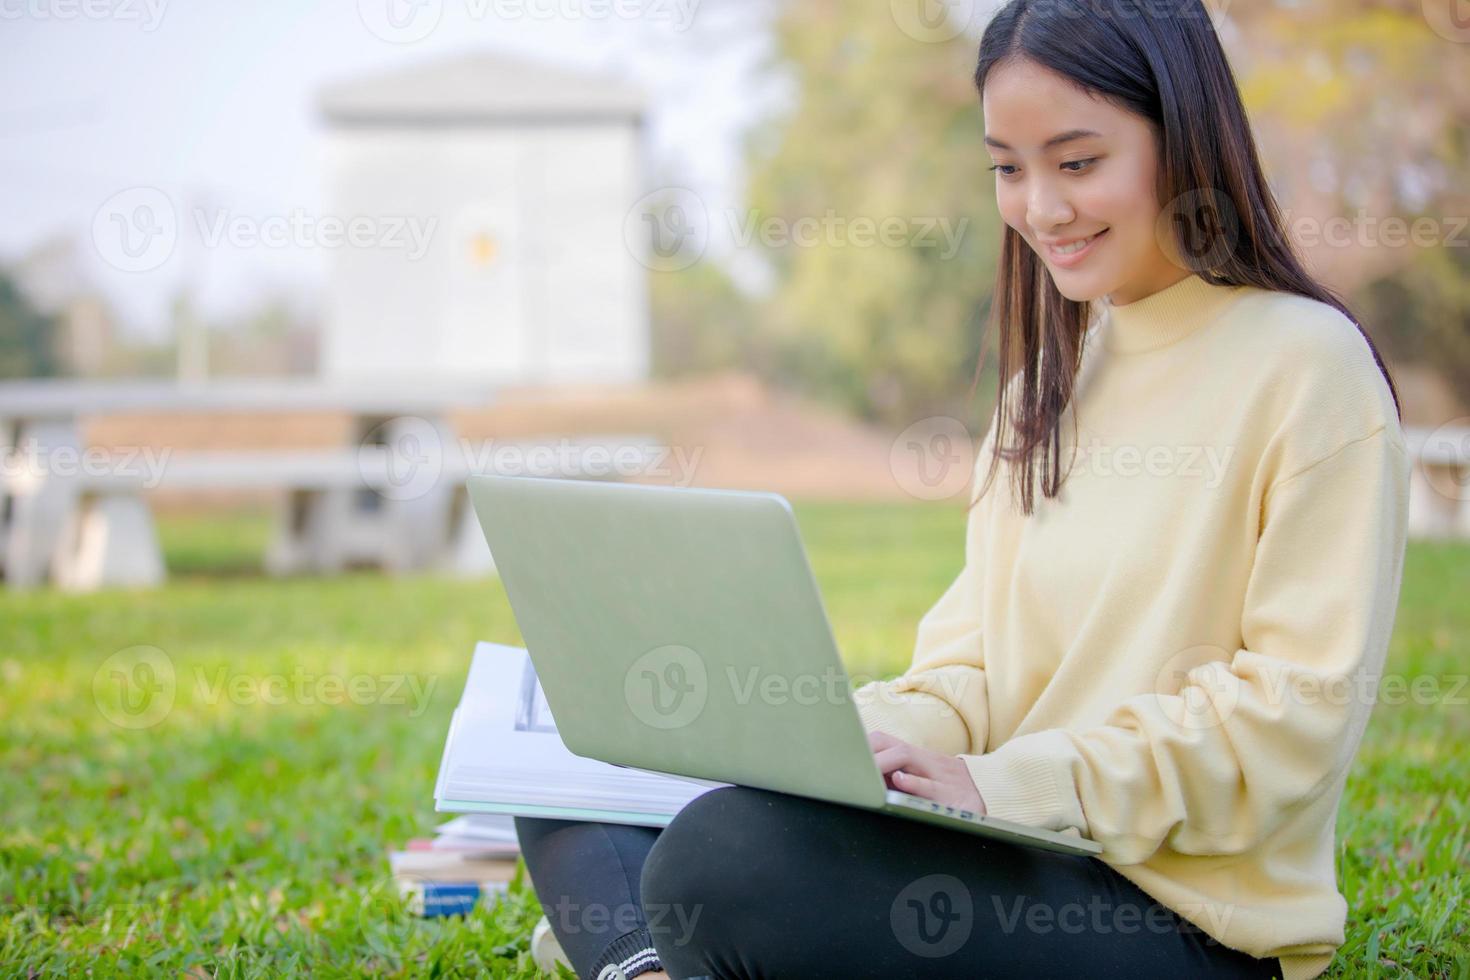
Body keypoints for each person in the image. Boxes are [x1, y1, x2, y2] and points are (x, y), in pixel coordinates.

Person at [515, 1, 1410, 977]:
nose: (1040, 207)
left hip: (1174, 921)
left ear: (1184, 137)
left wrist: (1005, 782)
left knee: (723, 861)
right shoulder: (1044, 393)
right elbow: (972, 672)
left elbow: (1289, 717)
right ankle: (652, 963)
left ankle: (647, 948)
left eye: (1077, 163)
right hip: (1017, 847)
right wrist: (848, 740)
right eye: (1007, 169)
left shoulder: (1308, 367)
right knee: (574, 777)